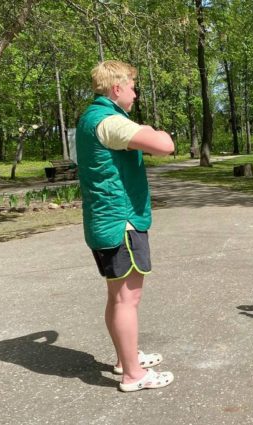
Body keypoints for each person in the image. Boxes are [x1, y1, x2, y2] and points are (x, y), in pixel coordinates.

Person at [76, 60, 176, 392]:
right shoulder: (109, 121)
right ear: (116, 89)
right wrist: (155, 132)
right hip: (121, 222)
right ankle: (133, 375)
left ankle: (125, 358)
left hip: (106, 220)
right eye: (132, 87)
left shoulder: (94, 118)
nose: (135, 94)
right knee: (126, 300)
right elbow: (165, 146)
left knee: (117, 296)